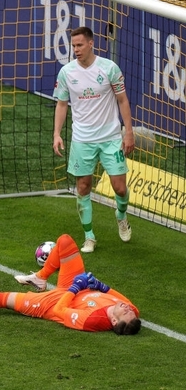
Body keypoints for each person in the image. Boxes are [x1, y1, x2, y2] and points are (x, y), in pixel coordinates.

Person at [0, 234, 141, 334]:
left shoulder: (91, 320)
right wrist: (100, 286)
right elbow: (118, 297)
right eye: (129, 310)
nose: (127, 308)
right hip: (79, 287)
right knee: (64, 242)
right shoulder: (132, 310)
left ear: (113, 321)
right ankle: (41, 277)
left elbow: (62, 311)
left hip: (50, 303)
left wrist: (75, 288)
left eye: (125, 313)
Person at [53, 26, 135, 253]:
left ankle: (121, 214)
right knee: (83, 186)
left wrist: (128, 132)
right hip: (82, 140)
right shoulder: (66, 73)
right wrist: (57, 134)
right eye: (74, 46)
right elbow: (61, 104)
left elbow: (122, 101)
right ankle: (89, 236)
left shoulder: (109, 68)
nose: (76, 50)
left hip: (110, 138)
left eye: (79, 45)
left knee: (120, 189)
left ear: (91, 43)